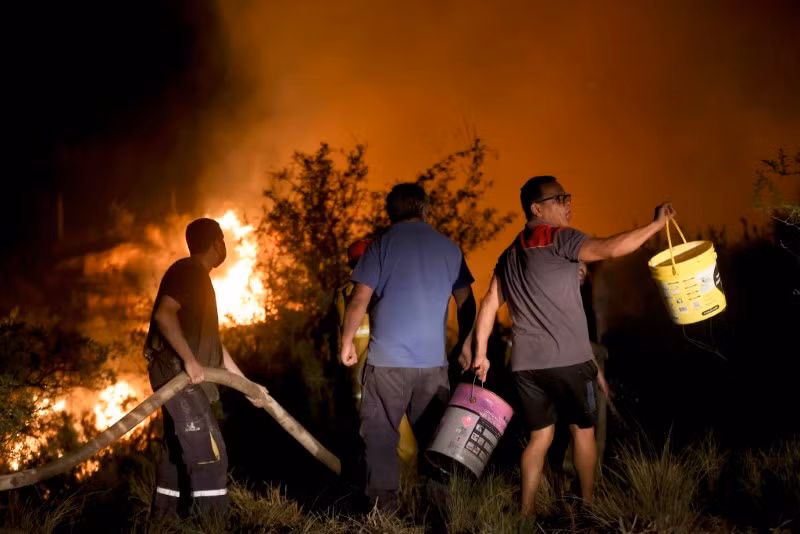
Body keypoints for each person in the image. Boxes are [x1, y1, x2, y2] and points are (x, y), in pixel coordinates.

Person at [466, 175, 675, 518]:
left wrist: (480, 354)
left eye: (567, 197)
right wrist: (657, 225)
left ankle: (525, 514)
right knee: (583, 431)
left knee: (539, 439)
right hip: (571, 362)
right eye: (559, 199)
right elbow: (611, 248)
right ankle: (588, 507)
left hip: (527, 367)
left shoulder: (510, 252)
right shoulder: (560, 238)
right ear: (537, 208)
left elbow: (490, 303)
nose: (567, 204)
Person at [339, 183, 476, 514]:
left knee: (380, 441)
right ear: (425, 209)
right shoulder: (449, 248)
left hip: (387, 365)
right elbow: (467, 303)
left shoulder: (381, 247)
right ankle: (440, 515)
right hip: (433, 366)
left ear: (389, 212)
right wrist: (467, 342)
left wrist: (346, 342)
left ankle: (382, 517)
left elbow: (359, 299)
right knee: (436, 443)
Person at [144, 217, 268, 518]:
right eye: (222, 239)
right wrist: (188, 361)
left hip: (183, 375)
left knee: (176, 452)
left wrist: (247, 386)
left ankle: (165, 521)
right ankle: (211, 524)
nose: (224, 245)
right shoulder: (187, 271)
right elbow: (164, 314)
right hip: (178, 376)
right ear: (216, 243)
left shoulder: (199, 278)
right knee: (211, 455)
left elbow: (214, 346)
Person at [333, 239, 418, 462]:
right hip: (382, 380)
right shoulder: (377, 292)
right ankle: (407, 493)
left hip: (358, 385)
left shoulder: (342, 296)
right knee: (406, 449)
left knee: (373, 445)